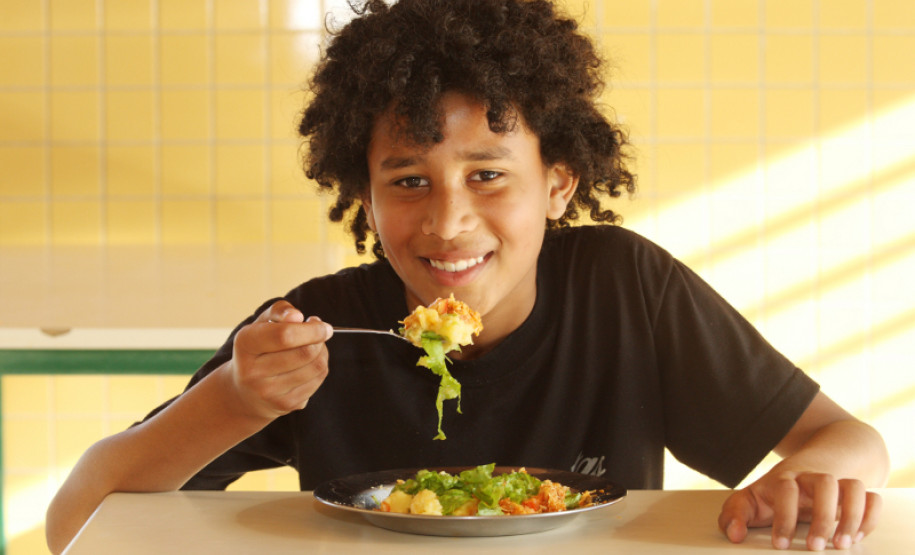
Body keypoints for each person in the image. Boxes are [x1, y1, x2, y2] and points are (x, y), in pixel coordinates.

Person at [46, 0, 888, 552]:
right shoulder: (321, 325)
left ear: (558, 183)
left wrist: (794, 490)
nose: (446, 223)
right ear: (364, 199)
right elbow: (73, 519)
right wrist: (232, 398)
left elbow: (852, 442)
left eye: (487, 176)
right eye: (407, 182)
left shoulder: (624, 288)